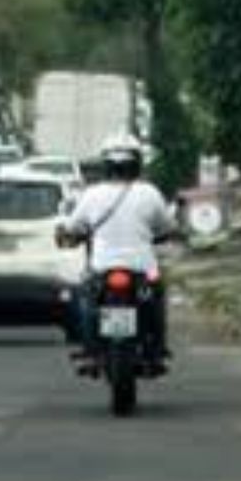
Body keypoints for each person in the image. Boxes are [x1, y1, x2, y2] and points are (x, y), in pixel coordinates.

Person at [62, 139, 179, 365]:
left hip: (101, 266)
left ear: (106, 166)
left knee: (85, 298)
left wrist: (69, 235)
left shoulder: (92, 194)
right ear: (137, 165)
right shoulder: (149, 193)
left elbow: (72, 227)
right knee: (156, 295)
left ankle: (88, 348)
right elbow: (167, 227)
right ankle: (157, 346)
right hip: (142, 267)